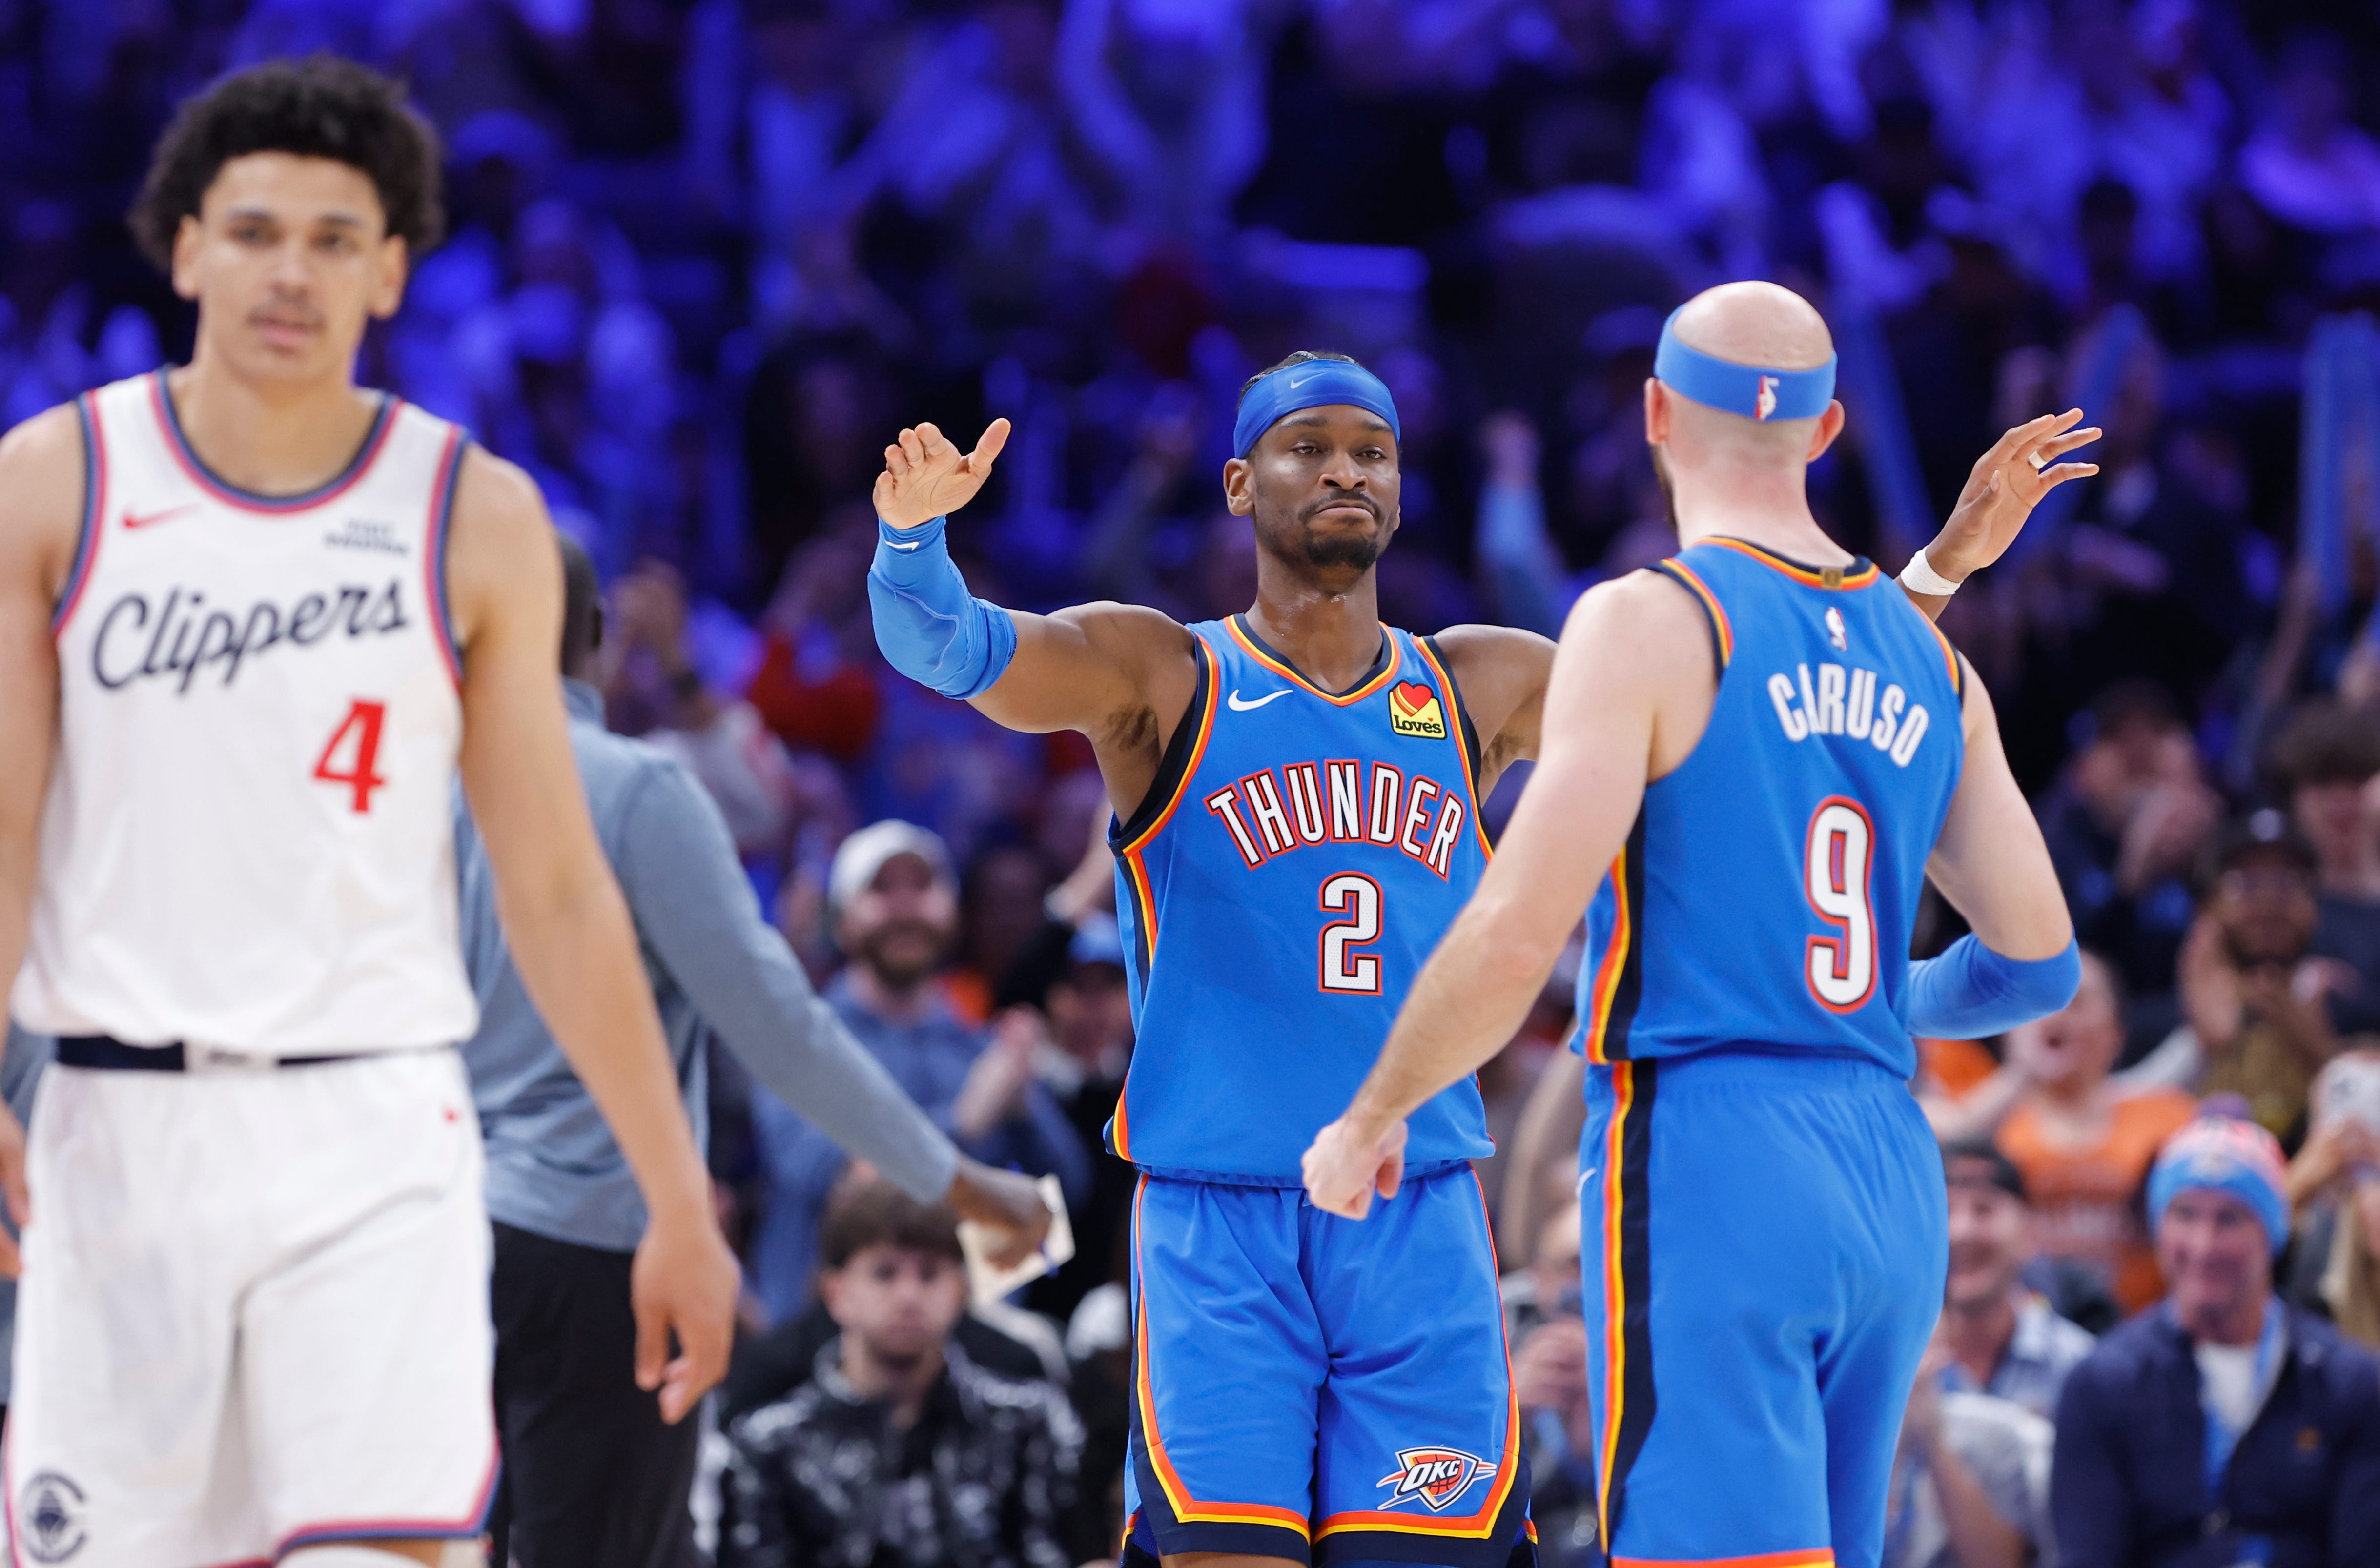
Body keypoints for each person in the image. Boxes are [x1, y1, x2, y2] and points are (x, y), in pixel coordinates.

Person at [861, 319, 2063, 1568]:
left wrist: (1928, 577)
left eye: (1372, 452)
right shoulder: (1162, 674)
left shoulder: (1475, 683)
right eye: (1307, 449)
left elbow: (1760, 706)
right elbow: (952, 650)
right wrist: (911, 540)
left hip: (1417, 1215)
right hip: (1219, 1228)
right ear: (1237, 485)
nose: (1344, 473)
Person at [0, 58, 738, 1568]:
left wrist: (674, 1196)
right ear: (186, 245)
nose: (293, 270)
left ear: (393, 271)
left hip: (375, 1128)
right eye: (257, 230)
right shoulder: (53, 486)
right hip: (115, 1126)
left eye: (337, 239)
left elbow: (556, 889)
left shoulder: (475, 516)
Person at [1301, 281, 2094, 1568]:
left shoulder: (1643, 616)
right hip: (1890, 1181)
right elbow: (2035, 962)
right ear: (1829, 429)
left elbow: (1516, 927)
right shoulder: (1929, 659)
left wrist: (1373, 1109)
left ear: (1656, 412)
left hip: (1714, 1152)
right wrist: (1887, 999)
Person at [460, 535, 1051, 1568]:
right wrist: (962, 1186)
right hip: (600, 1249)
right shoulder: (633, 789)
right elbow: (780, 1028)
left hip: (423, 1240)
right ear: (600, 645)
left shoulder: (393, 795)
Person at [745, 820, 1088, 1323]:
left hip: (969, 1343)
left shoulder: (978, 1045)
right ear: (842, 920)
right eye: (882, 890)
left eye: (922, 887)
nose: (905, 907)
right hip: (818, 1341)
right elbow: (820, 1176)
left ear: (953, 914)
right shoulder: (799, 1041)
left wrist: (1021, 1112)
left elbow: (1067, 1201)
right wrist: (965, 1123)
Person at [2051, 1116, 2380, 1568]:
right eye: (2185, 1215)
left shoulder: (2350, 1382)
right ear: (2157, 1228)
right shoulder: (2102, 1385)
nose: (2204, 1245)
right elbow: (2089, 1554)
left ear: (2274, 1233)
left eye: (2229, 1219)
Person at [718, 1180, 1090, 1568]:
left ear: (960, 1291)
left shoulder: (1029, 1422)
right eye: (884, 1273)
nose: (908, 1296)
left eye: (929, 1274)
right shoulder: (769, 1444)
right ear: (836, 1292)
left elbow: (1055, 1551)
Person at [1991, 950, 2198, 1313]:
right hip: (2027, 1334)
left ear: (2116, 1033)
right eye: (2041, 1002)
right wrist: (2017, 1076)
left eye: (2075, 1000)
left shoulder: (2170, 1117)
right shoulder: (1989, 1125)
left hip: (2145, 1331)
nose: (2056, 1013)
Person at [1935, 1143, 2097, 1421]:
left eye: (1984, 1209)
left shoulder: (2079, 1367)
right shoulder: (1892, 1366)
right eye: (1945, 1211)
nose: (1961, 1231)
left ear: (2030, 1233)